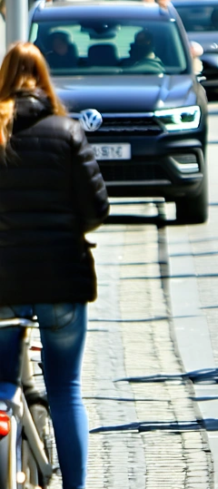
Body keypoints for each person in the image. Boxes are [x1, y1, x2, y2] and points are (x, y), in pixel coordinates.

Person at [0, 42, 110, 489]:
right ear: (44, 80)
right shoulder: (66, 132)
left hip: (3, 282)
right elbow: (96, 208)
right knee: (66, 390)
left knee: (1, 377)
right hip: (62, 275)